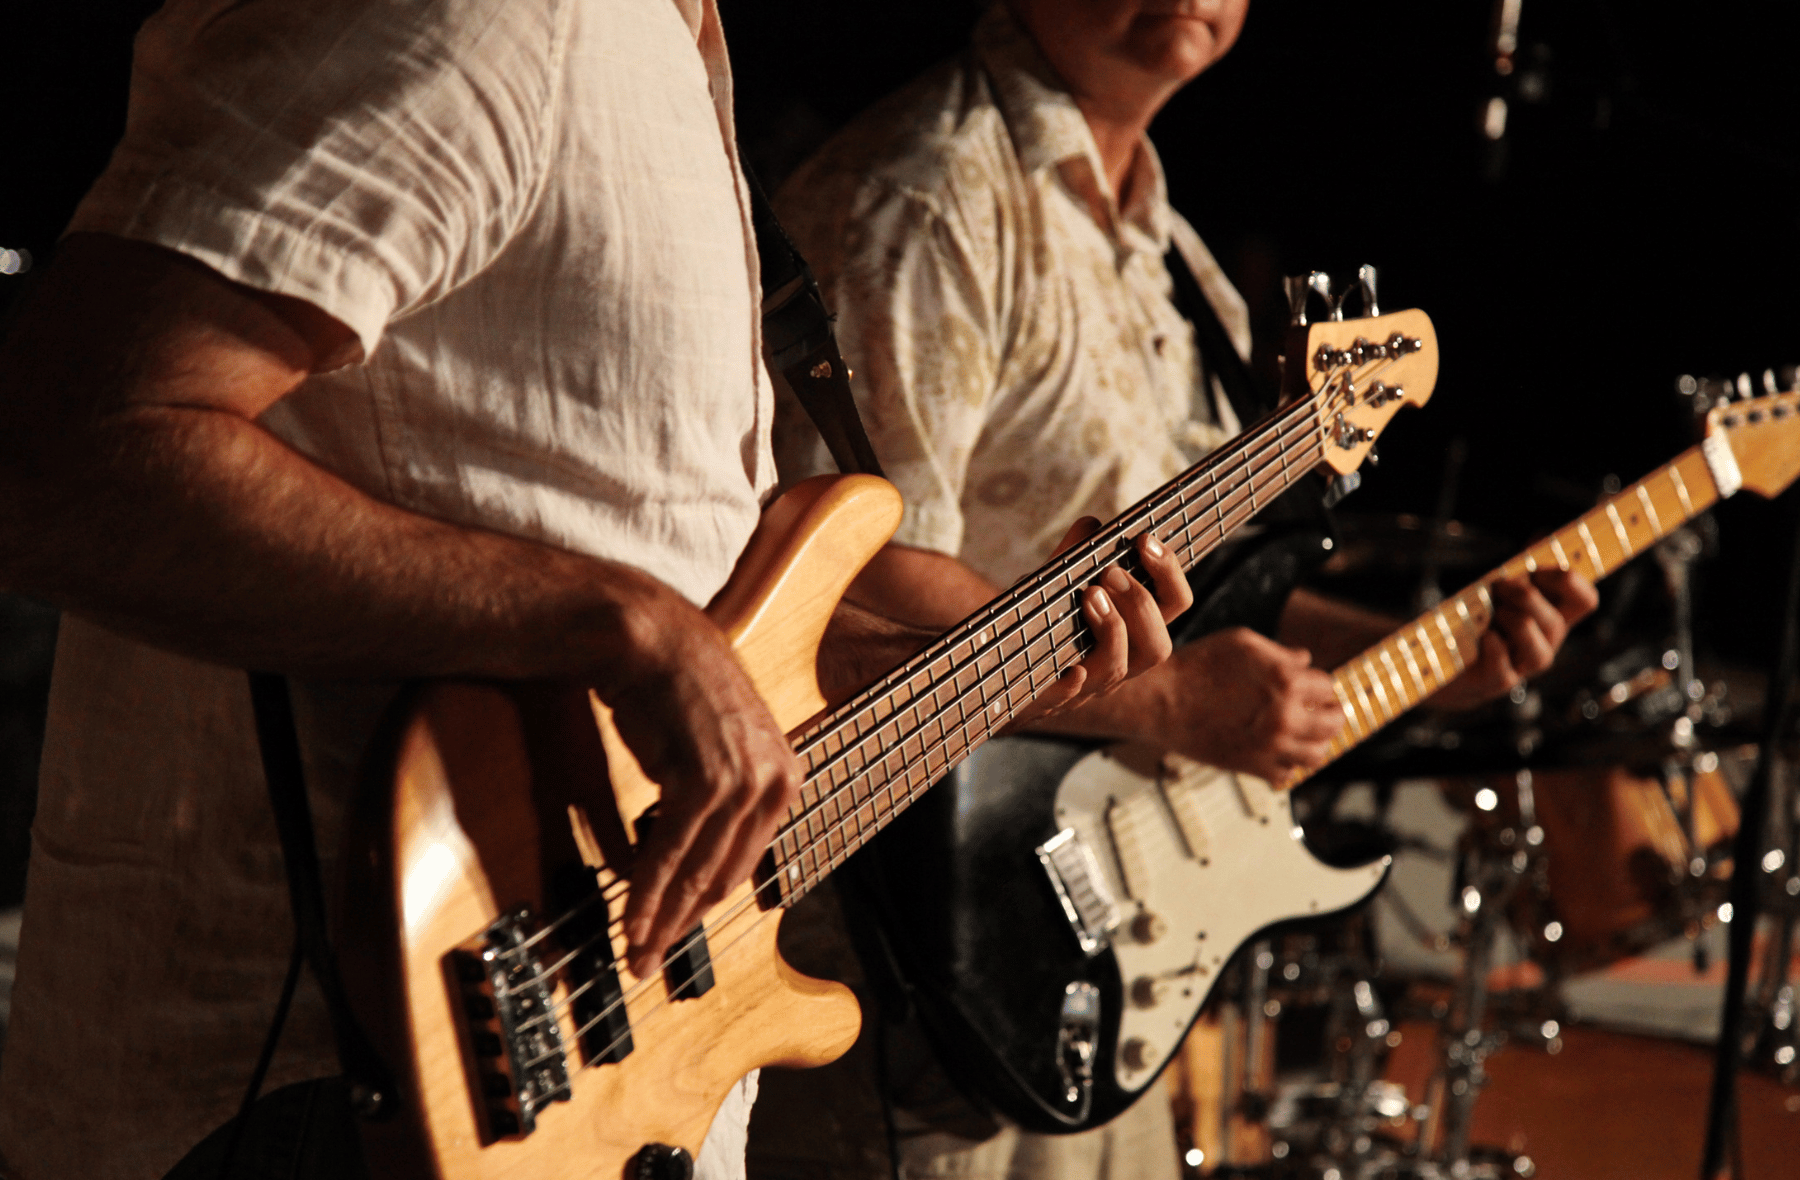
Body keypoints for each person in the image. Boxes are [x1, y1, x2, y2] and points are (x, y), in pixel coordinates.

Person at [0, 2, 1191, 1178]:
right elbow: (59, 458)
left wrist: (978, 658)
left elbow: (661, 576)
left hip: (594, 1075)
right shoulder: (494, 18)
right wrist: (616, 627)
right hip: (335, 1085)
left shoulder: (661, 47)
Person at [751, 1, 1599, 1176]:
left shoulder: (1167, 244)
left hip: (1099, 953)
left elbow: (1215, 601)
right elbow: (847, 588)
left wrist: (1437, 659)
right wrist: (1164, 703)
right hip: (919, 952)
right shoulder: (928, 192)